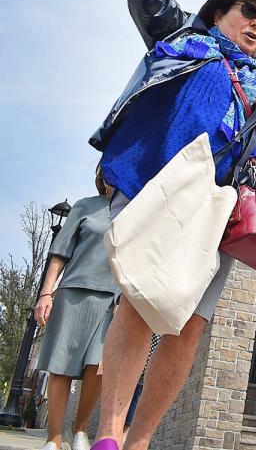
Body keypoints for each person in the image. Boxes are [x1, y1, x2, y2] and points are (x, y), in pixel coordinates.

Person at [88, 0, 256, 450]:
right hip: (157, 184)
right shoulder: (182, 36)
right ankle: (109, 434)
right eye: (248, 12)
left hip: (216, 206)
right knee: (137, 300)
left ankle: (141, 441)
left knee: (186, 324)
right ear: (220, 12)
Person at [33, 168, 116, 450]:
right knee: (61, 365)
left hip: (113, 299)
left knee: (98, 367)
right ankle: (53, 439)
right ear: (101, 177)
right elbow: (60, 252)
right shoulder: (84, 206)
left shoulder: (135, 209)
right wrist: (46, 292)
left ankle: (79, 430)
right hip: (73, 293)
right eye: (106, 171)